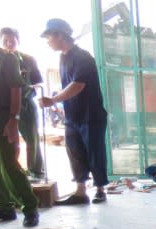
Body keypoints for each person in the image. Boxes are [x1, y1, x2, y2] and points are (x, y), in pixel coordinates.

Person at [0, 14, 39, 227]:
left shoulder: (6, 58)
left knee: (8, 164)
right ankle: (2, 207)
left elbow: (16, 90)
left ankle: (29, 208)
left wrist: (13, 120)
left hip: (1, 117)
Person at [39, 18, 109, 205]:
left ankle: (100, 189)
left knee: (94, 152)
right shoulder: (63, 58)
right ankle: (80, 191)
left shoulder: (82, 57)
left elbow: (77, 85)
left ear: (60, 35)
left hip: (90, 115)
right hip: (72, 116)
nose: (48, 41)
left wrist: (53, 100)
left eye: (49, 37)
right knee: (75, 152)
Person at [0, 27, 45, 179]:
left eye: (12, 40)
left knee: (32, 138)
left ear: (18, 41)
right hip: (5, 106)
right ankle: (11, 172)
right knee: (7, 140)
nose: (9, 43)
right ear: (0, 41)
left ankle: (36, 171)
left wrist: (28, 89)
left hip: (26, 104)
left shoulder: (28, 59)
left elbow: (38, 81)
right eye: (5, 40)